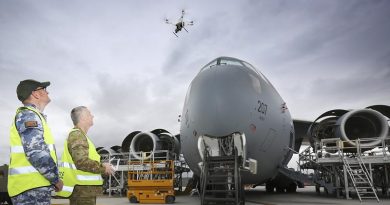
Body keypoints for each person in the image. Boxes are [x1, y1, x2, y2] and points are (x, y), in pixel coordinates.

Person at [8, 79, 63, 205]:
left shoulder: (33, 115)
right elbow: (36, 152)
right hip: (30, 191)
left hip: (32, 189)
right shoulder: (29, 115)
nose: (47, 91)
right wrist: (55, 179)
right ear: (35, 94)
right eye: (43, 89)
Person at [57, 106, 114, 205]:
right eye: (89, 114)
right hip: (82, 191)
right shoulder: (77, 136)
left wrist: (102, 166)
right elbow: (82, 162)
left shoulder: (81, 136)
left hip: (84, 191)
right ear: (83, 118)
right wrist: (104, 168)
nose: (92, 116)